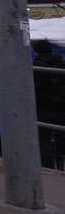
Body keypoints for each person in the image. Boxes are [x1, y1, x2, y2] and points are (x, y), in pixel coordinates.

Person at [32, 39, 65, 170]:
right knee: (62, 136)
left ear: (37, 51)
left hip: (44, 108)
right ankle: (62, 167)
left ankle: (48, 168)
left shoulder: (37, 65)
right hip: (62, 107)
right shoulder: (61, 63)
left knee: (43, 138)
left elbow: (35, 88)